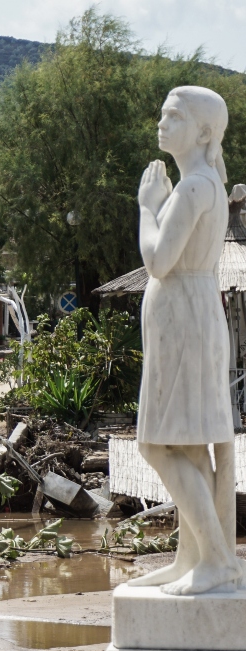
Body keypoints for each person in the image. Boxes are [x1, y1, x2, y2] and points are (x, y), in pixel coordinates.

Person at [130, 85, 241, 595]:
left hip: (186, 320)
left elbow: (157, 260)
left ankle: (215, 558)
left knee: (154, 444)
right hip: (186, 318)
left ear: (201, 132)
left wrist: (146, 207)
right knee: (191, 444)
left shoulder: (194, 188)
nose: (161, 123)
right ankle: (192, 557)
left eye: (172, 116)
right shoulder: (199, 185)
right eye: (162, 114)